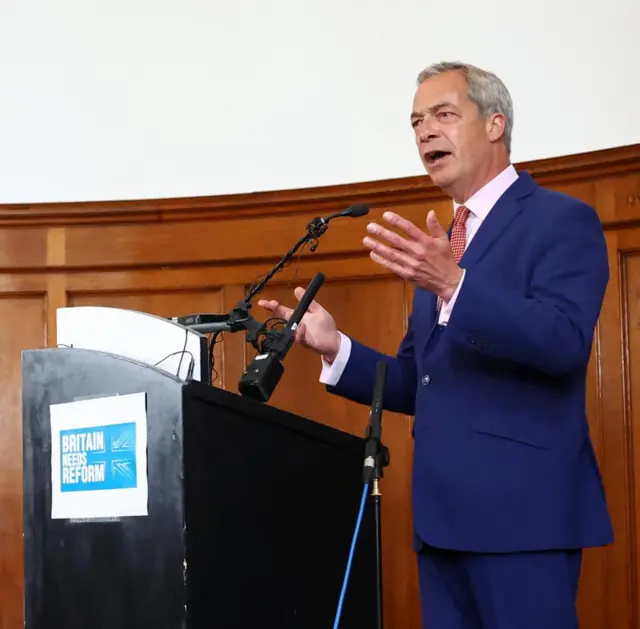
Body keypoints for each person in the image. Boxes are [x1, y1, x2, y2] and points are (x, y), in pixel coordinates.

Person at [258, 61, 613, 629]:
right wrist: (334, 347)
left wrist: (454, 284)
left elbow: (564, 342)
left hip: (523, 518)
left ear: (496, 124)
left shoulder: (561, 221)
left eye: (444, 114)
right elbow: (417, 380)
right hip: (441, 521)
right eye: (416, 121)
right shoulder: (442, 242)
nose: (425, 131)